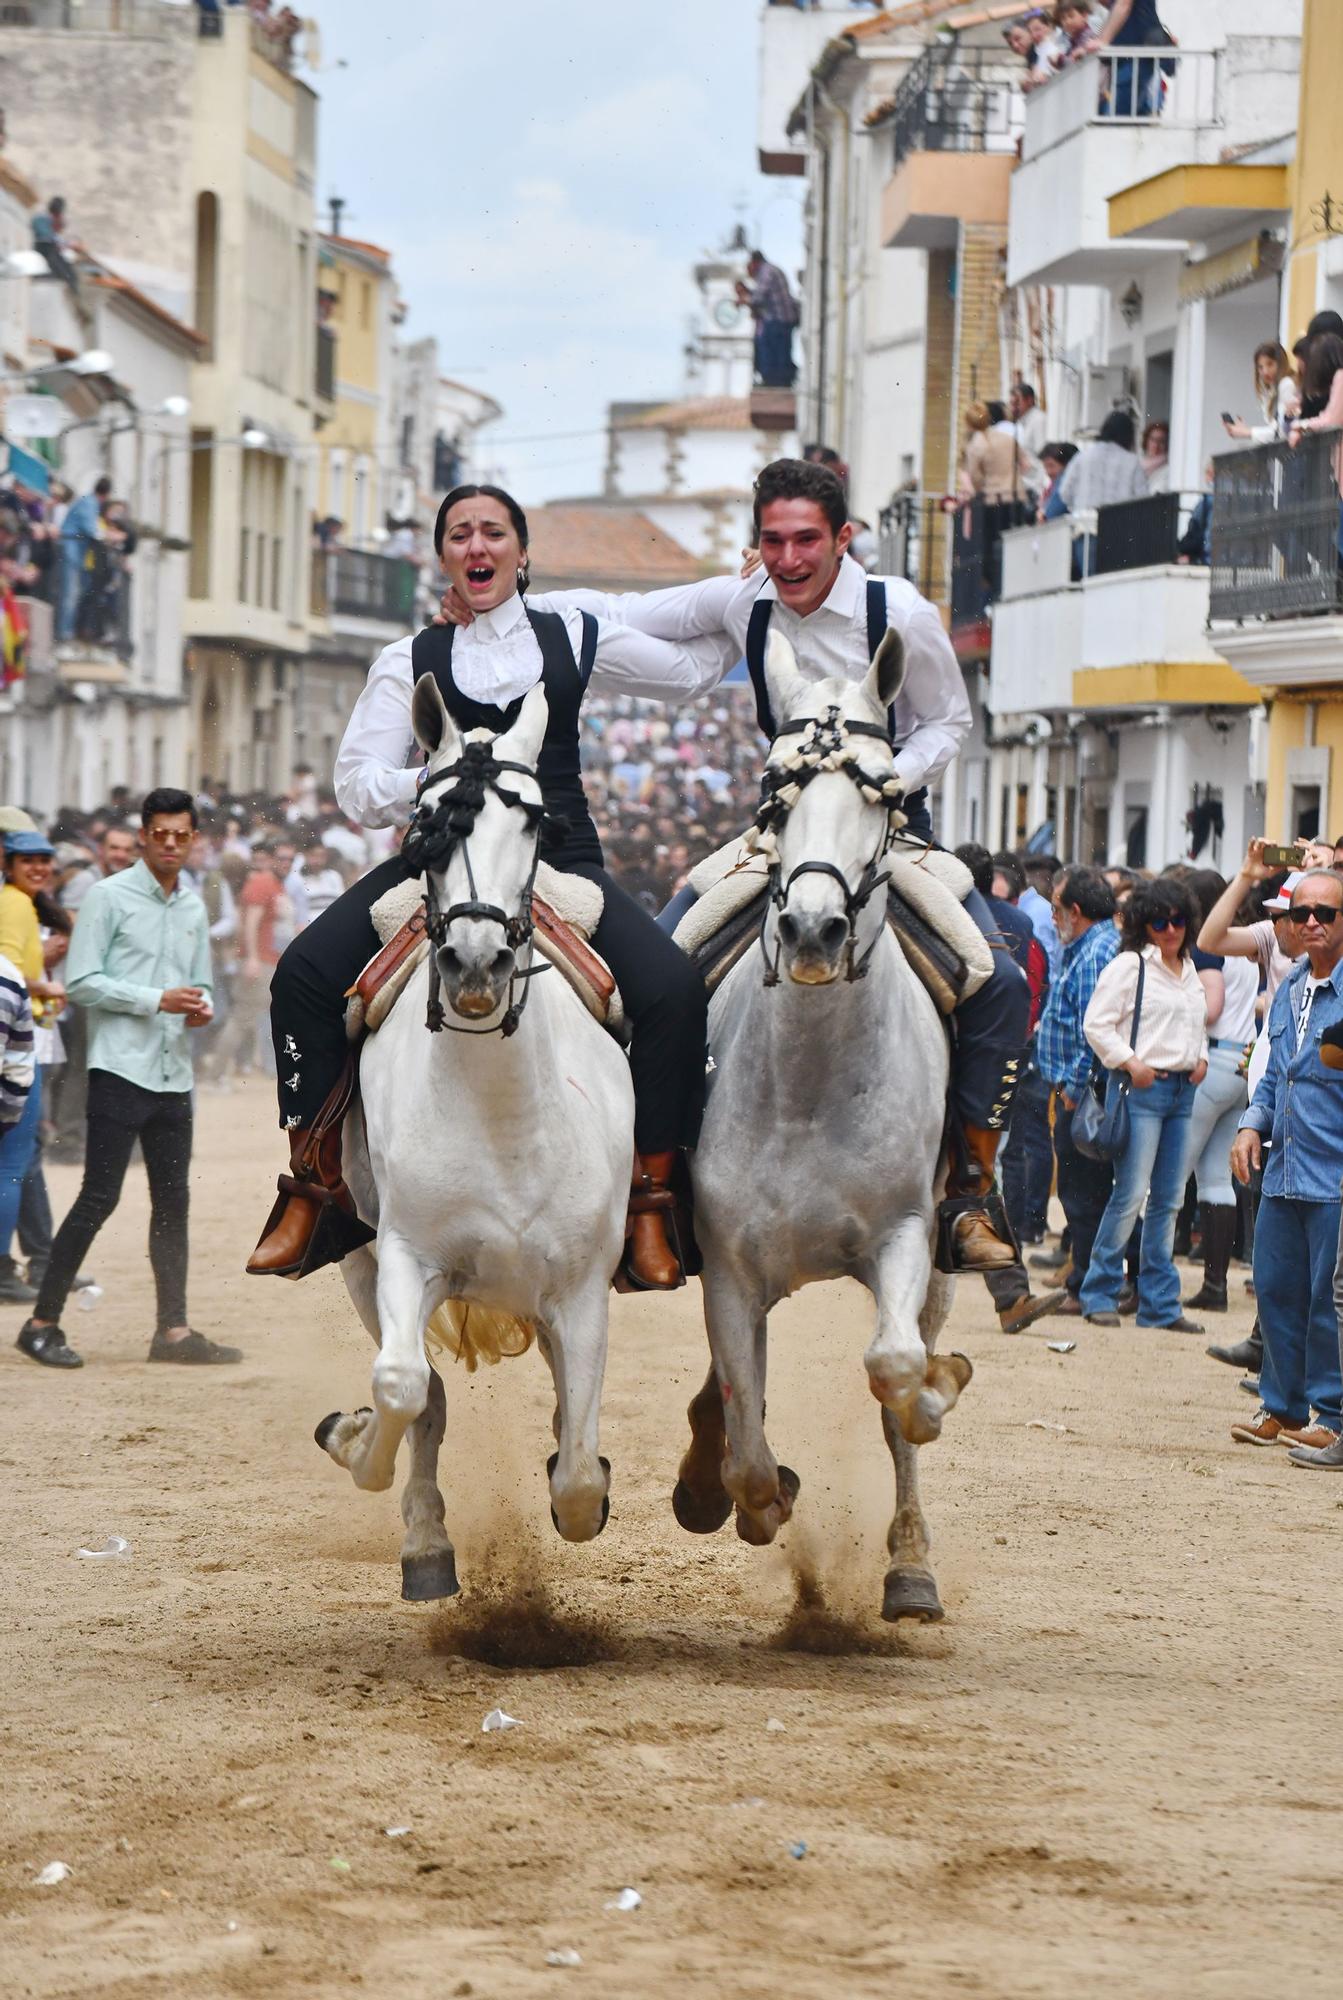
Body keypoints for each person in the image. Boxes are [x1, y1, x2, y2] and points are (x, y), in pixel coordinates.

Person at [447, 459, 1031, 1275]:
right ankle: (660, 1186)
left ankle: (969, 1189)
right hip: (777, 836)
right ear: (754, 544)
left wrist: (892, 780)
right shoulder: (741, 600)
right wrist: (499, 606)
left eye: (805, 541)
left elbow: (946, 720)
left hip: (890, 832)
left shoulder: (896, 610)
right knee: (656, 968)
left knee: (999, 981)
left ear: (842, 539)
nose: (788, 560)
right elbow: (621, 612)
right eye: (773, 541)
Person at [248, 483, 722, 1293]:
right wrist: (438, 778)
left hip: (559, 862)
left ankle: (647, 1199)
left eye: (493, 532)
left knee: (676, 990)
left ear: (520, 552)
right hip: (437, 859)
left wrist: (749, 596)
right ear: (442, 557)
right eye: (460, 533)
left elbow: (684, 676)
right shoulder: (408, 658)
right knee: (300, 974)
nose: (477, 545)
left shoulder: (572, 628)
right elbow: (357, 788)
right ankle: (315, 1184)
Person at [16, 790, 239, 1371]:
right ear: (142, 836)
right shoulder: (106, 898)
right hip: (119, 1068)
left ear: (193, 839)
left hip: (173, 1071)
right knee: (99, 1196)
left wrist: (201, 1006)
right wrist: (155, 1000)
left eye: (181, 834)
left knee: (173, 1203)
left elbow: (202, 983)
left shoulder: (191, 906)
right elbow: (84, 982)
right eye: (160, 833)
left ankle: (173, 1330)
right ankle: (41, 1324)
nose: (170, 843)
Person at [1230, 869, 1343, 1455]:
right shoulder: (1293, 987)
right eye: (1303, 914)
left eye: (1326, 913)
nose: (1313, 923)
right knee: (1275, 1289)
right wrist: (1251, 1125)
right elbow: (1275, 1076)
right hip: (1284, 1170)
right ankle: (1282, 1406)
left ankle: (1334, 1415)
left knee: (1327, 1300)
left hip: (1335, 1178)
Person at [1079, 875, 1208, 1330]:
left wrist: (1202, 1056)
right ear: (1143, 924)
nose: (1170, 929)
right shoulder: (1130, 965)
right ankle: (1099, 1291)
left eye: (1177, 920)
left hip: (1182, 1091)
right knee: (1130, 1194)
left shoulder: (1189, 967)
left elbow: (1194, 1020)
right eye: (1159, 921)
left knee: (1169, 1200)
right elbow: (1096, 1025)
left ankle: (1158, 1304)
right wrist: (1131, 1063)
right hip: (1143, 1090)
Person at [1035, 867, 1121, 1315]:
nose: (1051, 918)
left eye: (1055, 908)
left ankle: (1087, 1283)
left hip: (1085, 1095)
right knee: (1088, 1191)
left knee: (1083, 1192)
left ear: (1075, 911)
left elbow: (1094, 1032)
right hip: (1080, 1090)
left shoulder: (1095, 954)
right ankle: (1095, 1278)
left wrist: (1073, 1088)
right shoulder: (1088, 946)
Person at [1180, 870, 1259, 1312]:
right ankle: (1215, 1285)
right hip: (1243, 1064)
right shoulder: (1248, 949)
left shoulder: (1210, 949)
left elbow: (1211, 1010)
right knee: (1216, 1179)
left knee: (1171, 1175)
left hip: (1212, 1061)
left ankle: (1138, 1281)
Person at [1058, 410, 1150, 513]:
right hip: (1120, 522)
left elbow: (1064, 492)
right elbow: (1143, 497)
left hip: (1085, 522)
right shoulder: (1131, 461)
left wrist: (1078, 505)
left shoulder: (1082, 457)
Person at [56, 476, 111, 644]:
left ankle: (67, 631)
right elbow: (92, 529)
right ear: (106, 494)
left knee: (75, 592)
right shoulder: (90, 503)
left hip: (75, 549)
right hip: (71, 548)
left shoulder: (87, 501)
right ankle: (64, 634)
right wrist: (109, 536)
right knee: (70, 593)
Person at [736, 250, 799, 390]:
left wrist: (744, 300)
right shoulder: (769, 271)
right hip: (779, 319)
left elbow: (758, 298)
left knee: (775, 355)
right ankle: (777, 381)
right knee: (777, 354)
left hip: (779, 319)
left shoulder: (766, 272)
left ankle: (777, 383)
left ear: (755, 262)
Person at [1221, 342, 1299, 445]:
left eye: (1270, 364)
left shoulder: (1287, 384)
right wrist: (1246, 431)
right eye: (1260, 367)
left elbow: (1281, 432)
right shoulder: (1272, 392)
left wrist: (1247, 432)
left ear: (1281, 363)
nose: (1265, 372)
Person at [1141, 420, 1170, 494]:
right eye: (1152, 440)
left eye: (1161, 441)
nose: (1156, 445)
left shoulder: (1168, 469)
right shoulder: (1139, 464)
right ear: (1146, 441)